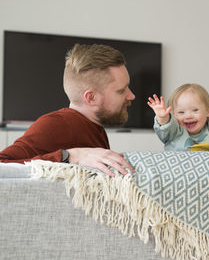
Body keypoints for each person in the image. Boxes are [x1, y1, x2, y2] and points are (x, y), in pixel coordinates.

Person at [0, 44, 135, 176]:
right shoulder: (55, 125)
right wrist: (69, 156)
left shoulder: (94, 127)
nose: (131, 96)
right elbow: (2, 165)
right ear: (91, 97)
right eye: (121, 90)